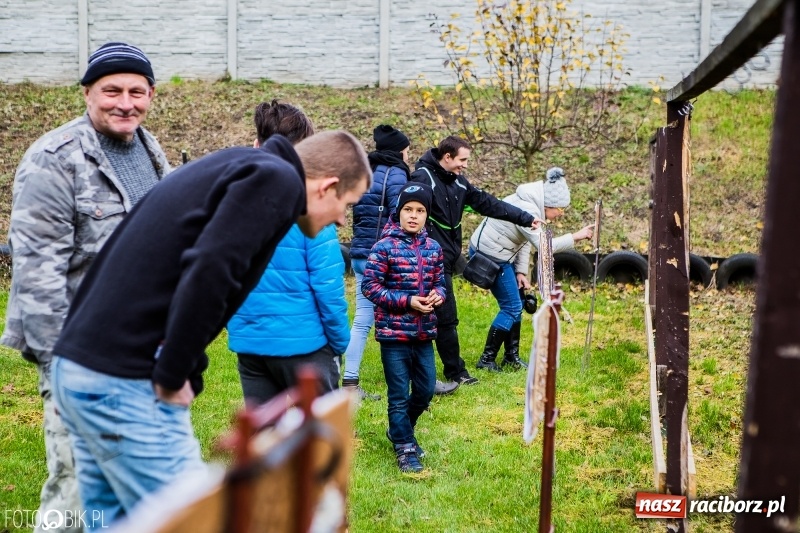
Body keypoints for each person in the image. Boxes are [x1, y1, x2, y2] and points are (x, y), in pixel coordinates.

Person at [49, 130, 371, 527]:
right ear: (328, 186)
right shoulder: (276, 180)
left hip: (82, 364)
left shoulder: (241, 166)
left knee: (115, 522)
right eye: (347, 205)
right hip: (124, 377)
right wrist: (173, 373)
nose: (341, 220)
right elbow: (212, 268)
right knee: (196, 522)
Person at [0, 42, 170, 533]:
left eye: (136, 91)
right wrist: (61, 370)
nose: (125, 103)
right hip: (78, 353)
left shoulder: (150, 151)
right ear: (87, 93)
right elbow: (36, 275)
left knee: (131, 488)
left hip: (141, 350)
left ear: (151, 95)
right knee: (77, 489)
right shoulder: (54, 158)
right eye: (112, 90)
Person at [227, 101, 349, 404]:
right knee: (320, 435)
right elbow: (328, 285)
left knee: (265, 432)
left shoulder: (229, 200)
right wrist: (339, 342)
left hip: (252, 345)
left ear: (256, 144)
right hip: (306, 348)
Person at [409, 136, 539, 394]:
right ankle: (451, 373)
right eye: (463, 159)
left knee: (444, 318)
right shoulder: (423, 178)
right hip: (426, 260)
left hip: (447, 258)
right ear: (447, 157)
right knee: (441, 318)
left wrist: (526, 218)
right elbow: (407, 215)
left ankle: (448, 371)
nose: (465, 165)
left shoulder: (458, 181)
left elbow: (487, 203)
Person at [469, 167, 594, 371]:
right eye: (561, 210)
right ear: (550, 204)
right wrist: (576, 236)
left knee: (516, 303)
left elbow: (525, 240)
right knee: (512, 307)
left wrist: (521, 272)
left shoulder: (530, 206)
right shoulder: (528, 209)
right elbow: (544, 245)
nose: (560, 215)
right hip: (490, 255)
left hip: (503, 253)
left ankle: (511, 357)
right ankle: (486, 359)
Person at [362, 182, 445, 473]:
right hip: (394, 334)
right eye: (408, 209)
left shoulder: (434, 248)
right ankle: (405, 447)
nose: (413, 215)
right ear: (398, 212)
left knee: (425, 389)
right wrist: (408, 301)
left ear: (426, 215)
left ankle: (400, 430)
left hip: (424, 333)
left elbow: (440, 282)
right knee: (398, 394)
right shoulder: (383, 247)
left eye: (420, 210)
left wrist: (438, 295)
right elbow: (370, 286)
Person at [342, 124, 411, 401]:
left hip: (360, 254)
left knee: (362, 320)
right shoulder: (397, 175)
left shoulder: (365, 172)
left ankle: (350, 382)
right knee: (404, 317)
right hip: (384, 257)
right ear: (398, 152)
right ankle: (415, 378)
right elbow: (402, 216)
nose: (408, 156)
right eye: (407, 151)